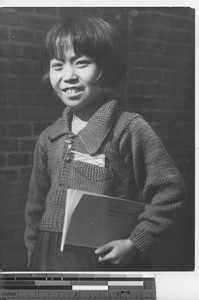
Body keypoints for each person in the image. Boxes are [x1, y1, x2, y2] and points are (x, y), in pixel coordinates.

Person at [24, 15, 185, 271]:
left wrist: (135, 243)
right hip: (49, 260)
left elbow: (170, 192)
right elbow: (35, 208)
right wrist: (34, 258)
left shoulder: (128, 128)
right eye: (58, 66)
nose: (68, 76)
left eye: (81, 63)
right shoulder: (48, 138)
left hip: (103, 260)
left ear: (106, 68)